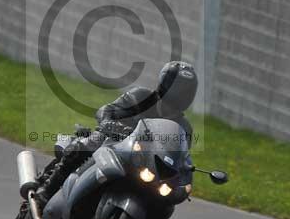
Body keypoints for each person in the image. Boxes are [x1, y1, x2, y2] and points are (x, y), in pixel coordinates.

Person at [34, 61, 198, 209]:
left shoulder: (184, 128)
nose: (179, 95)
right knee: (85, 146)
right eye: (178, 89)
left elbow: (178, 157)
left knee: (165, 203)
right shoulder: (141, 97)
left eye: (185, 91)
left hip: (144, 163)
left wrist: (184, 172)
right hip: (112, 143)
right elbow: (107, 110)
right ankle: (47, 190)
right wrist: (108, 122)